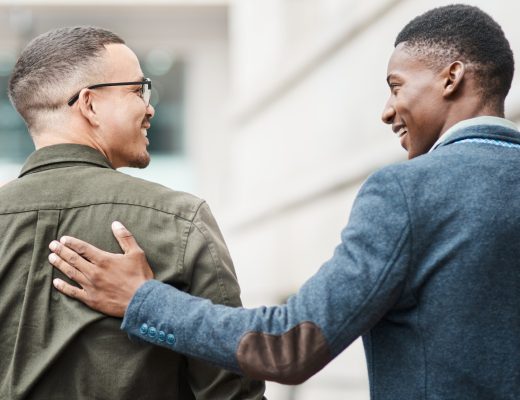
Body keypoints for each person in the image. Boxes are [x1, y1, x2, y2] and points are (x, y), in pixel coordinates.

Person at [49, 5, 520, 399]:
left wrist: (142, 300)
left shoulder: (408, 192)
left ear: (451, 77)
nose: (386, 110)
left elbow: (290, 344)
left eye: (396, 86)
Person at [0, 26, 265, 399]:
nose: (150, 106)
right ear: (90, 104)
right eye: (138, 89)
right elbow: (231, 393)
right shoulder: (180, 220)